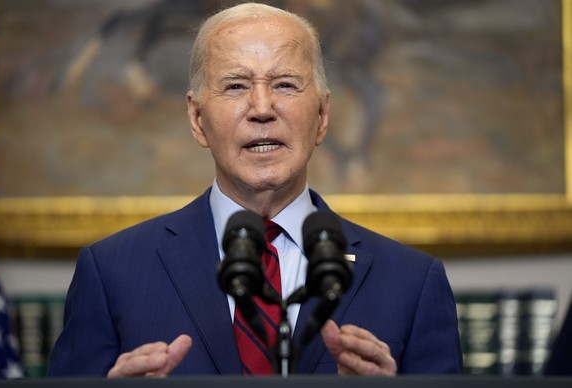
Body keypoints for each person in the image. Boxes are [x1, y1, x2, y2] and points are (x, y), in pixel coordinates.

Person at [48, 2, 462, 377]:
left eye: (284, 85)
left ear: (321, 116)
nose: (262, 109)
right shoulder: (111, 273)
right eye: (235, 86)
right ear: (197, 119)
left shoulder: (413, 282)